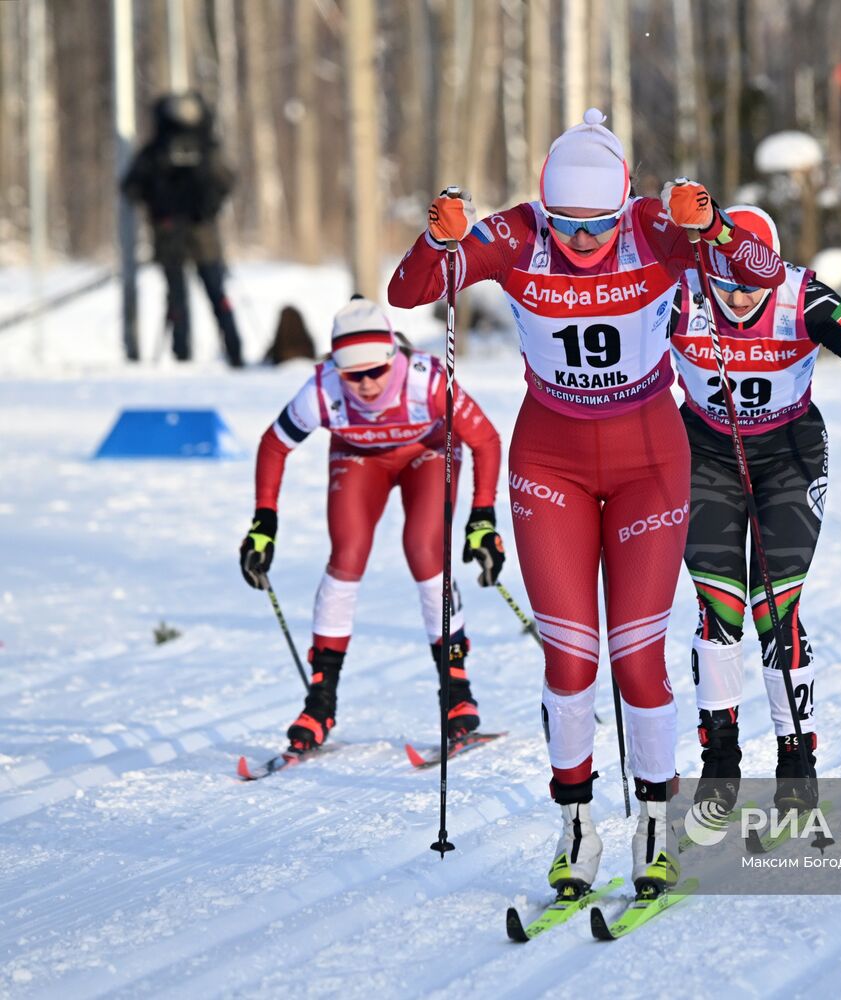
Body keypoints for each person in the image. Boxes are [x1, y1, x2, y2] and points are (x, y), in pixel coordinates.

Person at [387, 109, 784, 900]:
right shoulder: (516, 234)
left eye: (597, 223)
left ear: (623, 204)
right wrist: (439, 242)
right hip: (551, 460)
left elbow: (762, 272)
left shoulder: (652, 226)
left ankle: (651, 825)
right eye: (567, 223)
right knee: (569, 659)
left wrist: (707, 225)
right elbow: (408, 294)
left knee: (637, 657)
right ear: (544, 205)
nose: (581, 239)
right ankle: (575, 825)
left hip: (648, 459)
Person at [671, 205, 841, 813]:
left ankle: (796, 761)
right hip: (704, 453)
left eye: (753, 284)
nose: (741, 297)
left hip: (789, 455)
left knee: (774, 606)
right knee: (719, 605)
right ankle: (720, 762)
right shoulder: (681, 294)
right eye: (727, 283)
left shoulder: (801, 297)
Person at [237, 297, 504, 753]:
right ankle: (320, 703)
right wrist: (264, 521)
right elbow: (273, 444)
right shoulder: (323, 389)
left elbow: (486, 440)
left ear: (392, 357)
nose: (364, 385)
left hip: (429, 452)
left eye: (374, 372)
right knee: (347, 554)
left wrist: (482, 517)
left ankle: (457, 695)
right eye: (351, 375)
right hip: (359, 458)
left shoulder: (427, 380)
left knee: (424, 548)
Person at [120, 92, 244, 367]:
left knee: (193, 295)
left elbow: (131, 186)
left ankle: (190, 354)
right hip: (192, 236)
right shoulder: (200, 148)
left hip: (179, 235)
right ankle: (230, 353)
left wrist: (164, 206)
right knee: (205, 294)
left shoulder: (164, 149)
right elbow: (227, 180)